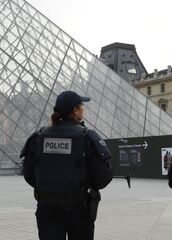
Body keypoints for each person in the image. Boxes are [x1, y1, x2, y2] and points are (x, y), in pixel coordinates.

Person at [20, 90, 113, 240]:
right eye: (82, 106)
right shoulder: (87, 137)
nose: (83, 109)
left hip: (47, 208)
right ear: (75, 111)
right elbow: (103, 177)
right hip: (79, 209)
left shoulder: (38, 137)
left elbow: (29, 174)